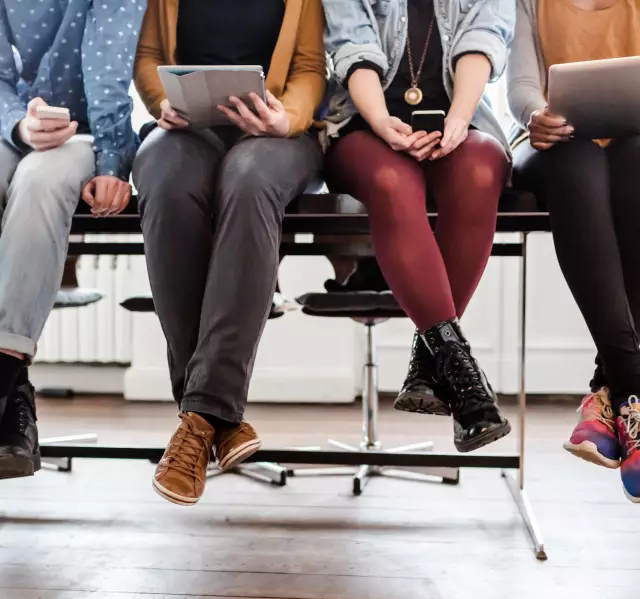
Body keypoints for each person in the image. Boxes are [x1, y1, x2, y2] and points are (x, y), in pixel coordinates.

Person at [133, 0, 325, 506]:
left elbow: (309, 67)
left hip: (276, 136)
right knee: (164, 180)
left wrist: (287, 118)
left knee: (249, 179)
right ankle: (218, 417)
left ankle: (197, 420)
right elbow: (150, 55)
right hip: (187, 131)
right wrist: (160, 105)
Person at [321, 0, 514, 452]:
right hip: (366, 128)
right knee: (393, 180)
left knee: (483, 168)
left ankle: (431, 364)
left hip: (455, 125)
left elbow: (481, 43)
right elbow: (356, 51)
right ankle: (465, 382)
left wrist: (458, 122)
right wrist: (383, 124)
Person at [0, 0, 144, 479]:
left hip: (81, 132)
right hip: (12, 124)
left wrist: (110, 163)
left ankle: (3, 375)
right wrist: (20, 124)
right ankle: (13, 397)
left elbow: (108, 68)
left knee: (39, 183)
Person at [508, 0, 640, 502]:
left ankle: (609, 404)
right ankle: (633, 388)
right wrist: (536, 114)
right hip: (552, 146)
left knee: (636, 161)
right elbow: (520, 86)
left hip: (631, 143)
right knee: (581, 163)